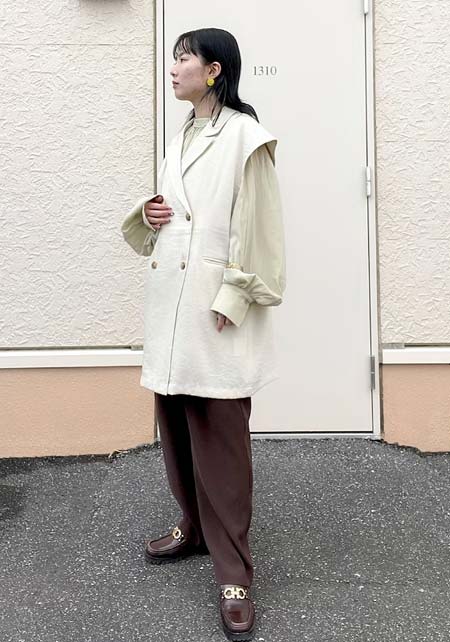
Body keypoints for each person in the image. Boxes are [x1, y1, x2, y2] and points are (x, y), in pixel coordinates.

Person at [121, 27, 286, 642]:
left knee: (219, 438)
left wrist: (236, 295)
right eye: (174, 58)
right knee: (175, 424)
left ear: (214, 70)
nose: (174, 68)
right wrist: (149, 213)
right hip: (174, 305)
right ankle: (193, 528)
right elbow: (182, 214)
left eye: (184, 58)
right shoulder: (184, 134)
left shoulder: (246, 136)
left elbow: (262, 228)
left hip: (215, 307)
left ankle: (235, 572)